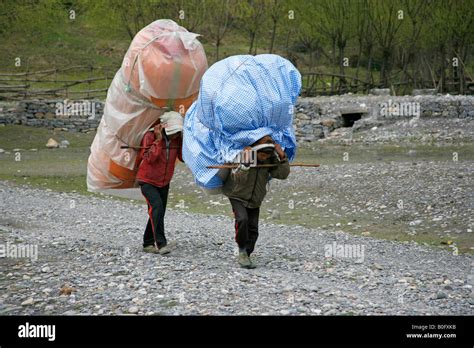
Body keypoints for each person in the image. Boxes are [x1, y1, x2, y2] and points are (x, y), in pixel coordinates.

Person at [222, 135, 290, 268]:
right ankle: (242, 251)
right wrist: (246, 163)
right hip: (236, 195)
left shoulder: (270, 159)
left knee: (253, 229)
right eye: (261, 155)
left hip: (255, 198)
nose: (264, 157)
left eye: (266, 155)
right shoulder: (243, 156)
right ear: (255, 151)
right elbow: (238, 179)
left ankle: (247, 253)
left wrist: (282, 156)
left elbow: (282, 174)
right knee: (242, 220)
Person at [136, 111, 184, 255]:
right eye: (173, 132)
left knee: (158, 211)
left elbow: (182, 157)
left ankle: (147, 243)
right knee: (156, 207)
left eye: (177, 132)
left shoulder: (177, 139)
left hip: (164, 182)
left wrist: (184, 139)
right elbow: (150, 158)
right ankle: (161, 244)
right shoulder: (150, 136)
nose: (174, 135)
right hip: (147, 180)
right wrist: (157, 140)